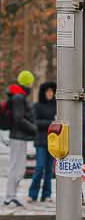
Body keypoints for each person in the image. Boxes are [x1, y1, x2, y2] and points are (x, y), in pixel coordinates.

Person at [4, 70, 36, 207]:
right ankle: (10, 196)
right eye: (31, 82)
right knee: (16, 168)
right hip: (17, 137)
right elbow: (18, 118)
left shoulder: (19, 96)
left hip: (19, 137)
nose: (32, 85)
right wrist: (33, 128)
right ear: (27, 82)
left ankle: (12, 195)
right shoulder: (18, 97)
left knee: (19, 168)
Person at [29, 82, 57, 203]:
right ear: (44, 92)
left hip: (53, 142)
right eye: (48, 91)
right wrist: (50, 123)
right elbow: (35, 122)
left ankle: (46, 195)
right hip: (41, 141)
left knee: (49, 169)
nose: (50, 94)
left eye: (52, 91)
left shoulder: (57, 106)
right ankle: (32, 194)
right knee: (39, 167)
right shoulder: (37, 106)